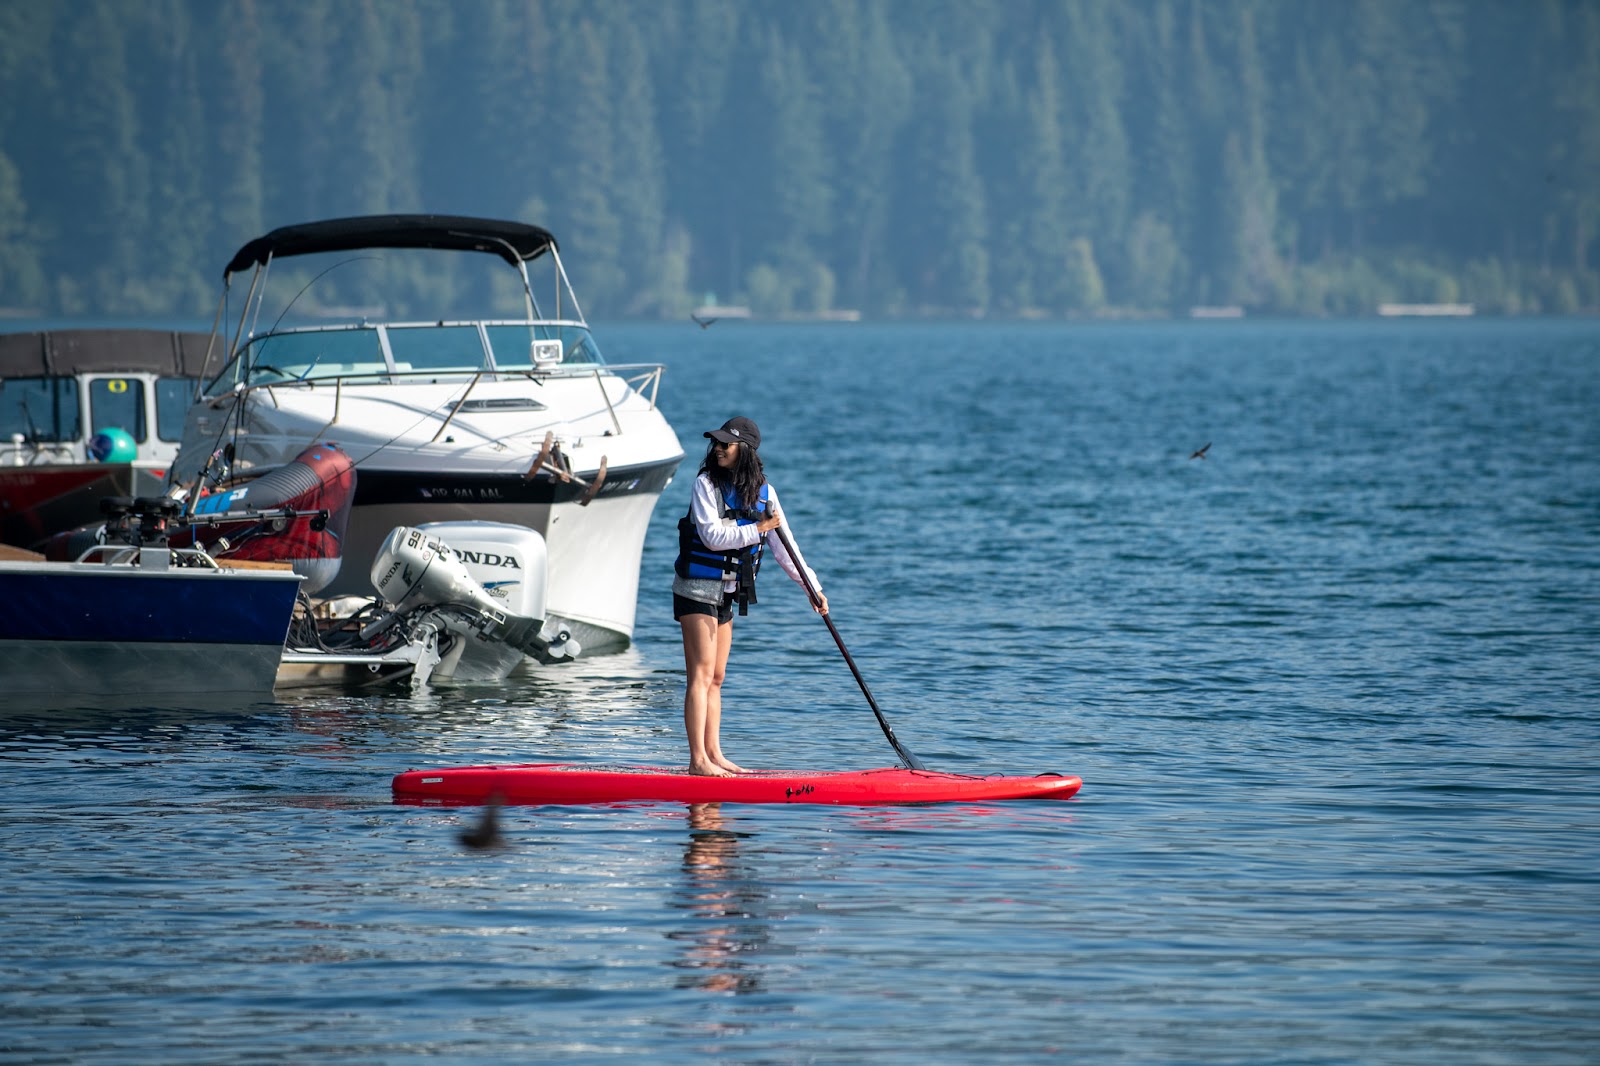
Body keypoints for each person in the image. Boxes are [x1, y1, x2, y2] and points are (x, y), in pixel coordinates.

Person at [673, 416, 827, 776]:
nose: (717, 449)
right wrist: (758, 527)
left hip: (727, 591)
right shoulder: (705, 485)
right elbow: (711, 537)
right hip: (696, 586)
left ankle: (715, 754)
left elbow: (785, 547)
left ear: (744, 451)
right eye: (716, 443)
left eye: (725, 444)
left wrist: (812, 588)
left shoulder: (766, 494)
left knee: (717, 677)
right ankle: (698, 761)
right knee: (699, 673)